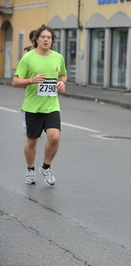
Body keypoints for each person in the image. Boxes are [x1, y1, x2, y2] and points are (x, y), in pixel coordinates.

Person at [12, 24, 67, 186]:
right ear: (36, 39)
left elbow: (63, 75)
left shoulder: (58, 57)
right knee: (32, 141)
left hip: (51, 106)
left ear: (52, 41)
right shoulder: (28, 58)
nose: (46, 40)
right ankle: (30, 169)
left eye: (49, 37)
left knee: (55, 137)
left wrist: (62, 83)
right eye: (43, 37)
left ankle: (46, 166)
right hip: (32, 107)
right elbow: (15, 81)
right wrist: (31, 80)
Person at [22, 30, 37, 129]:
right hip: (30, 78)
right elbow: (24, 63)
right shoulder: (27, 50)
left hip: (41, 78)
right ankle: (26, 117)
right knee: (30, 98)